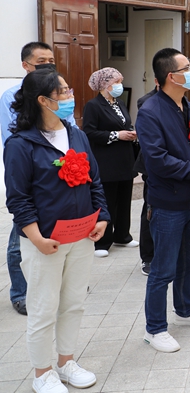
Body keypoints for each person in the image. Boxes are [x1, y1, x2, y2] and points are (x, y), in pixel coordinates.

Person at [4, 69, 110, 393]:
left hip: (81, 235)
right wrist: (36, 238)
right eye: (62, 92)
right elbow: (18, 198)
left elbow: (94, 180)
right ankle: (42, 373)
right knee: (43, 309)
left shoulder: (76, 135)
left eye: (68, 90)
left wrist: (102, 217)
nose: (69, 97)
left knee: (74, 303)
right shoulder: (21, 144)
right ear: (42, 100)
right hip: (45, 242)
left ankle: (66, 362)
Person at [137, 48, 190, 352]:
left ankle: (185, 309)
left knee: (189, 260)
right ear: (171, 76)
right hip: (168, 202)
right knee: (163, 269)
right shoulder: (150, 111)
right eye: (188, 68)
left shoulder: (188, 106)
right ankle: (155, 328)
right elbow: (156, 159)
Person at [0, 42, 75, 317]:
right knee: (21, 236)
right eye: (41, 61)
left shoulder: (61, 95)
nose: (48, 65)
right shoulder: (12, 96)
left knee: (62, 231)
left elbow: (70, 130)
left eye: (51, 60)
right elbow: (12, 137)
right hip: (34, 173)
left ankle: (64, 281)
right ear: (26, 65)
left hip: (64, 172)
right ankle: (20, 292)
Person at [82, 67, 138, 257]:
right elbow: (89, 132)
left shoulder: (119, 103)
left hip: (125, 159)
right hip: (107, 161)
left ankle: (122, 235)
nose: (119, 85)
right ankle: (102, 241)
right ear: (105, 85)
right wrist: (116, 135)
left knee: (124, 200)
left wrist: (130, 133)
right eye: (116, 82)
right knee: (107, 200)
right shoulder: (93, 106)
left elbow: (124, 124)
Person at [135, 84, 158, 275]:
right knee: (150, 211)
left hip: (177, 168)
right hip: (153, 166)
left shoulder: (183, 102)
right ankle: (148, 257)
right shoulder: (147, 102)